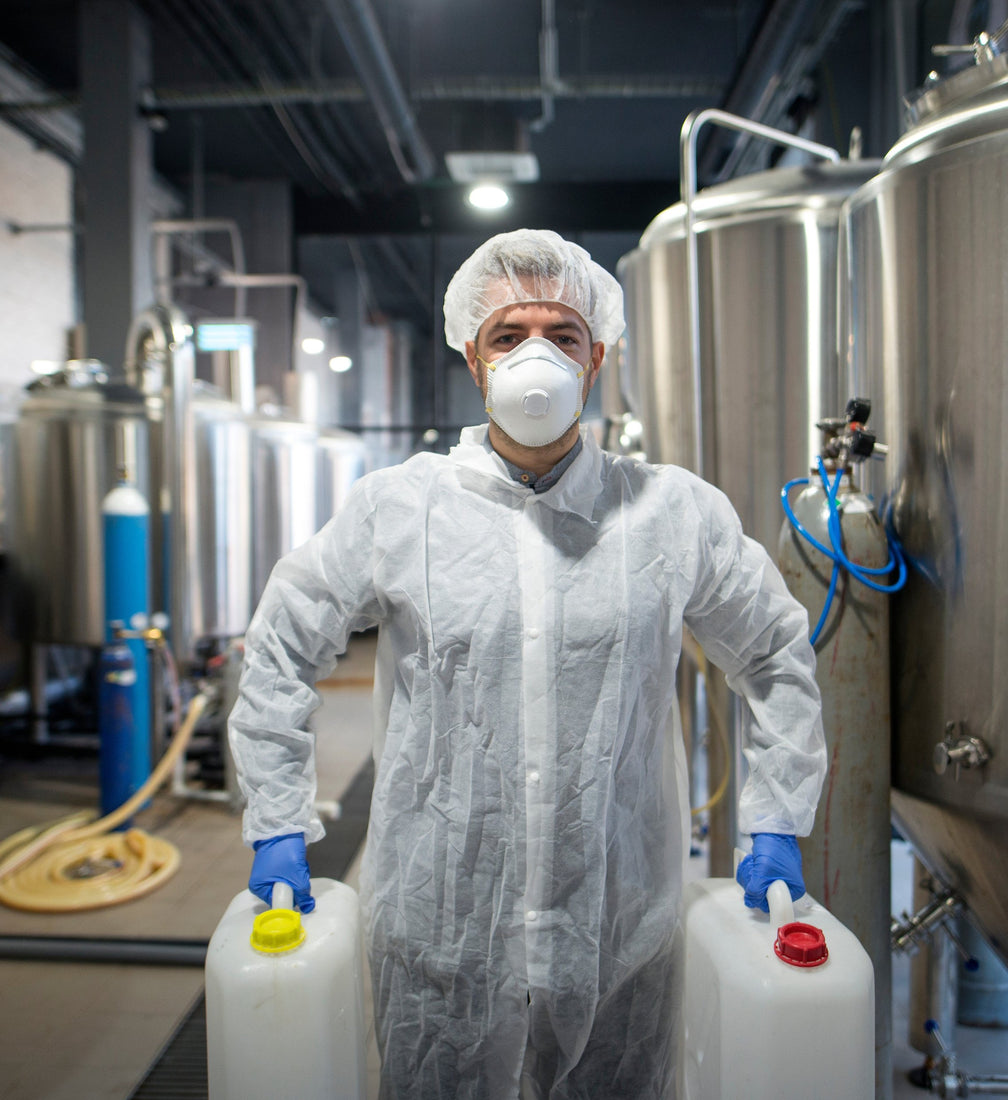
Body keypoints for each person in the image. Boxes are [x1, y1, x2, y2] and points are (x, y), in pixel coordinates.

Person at [229, 228, 827, 1099]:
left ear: (597, 360)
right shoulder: (401, 509)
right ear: (473, 357)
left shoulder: (670, 512)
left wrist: (773, 819)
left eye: (563, 335)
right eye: (510, 336)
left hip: (620, 936)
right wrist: (277, 814)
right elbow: (282, 641)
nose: (536, 356)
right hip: (442, 939)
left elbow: (773, 648)